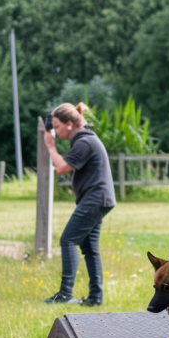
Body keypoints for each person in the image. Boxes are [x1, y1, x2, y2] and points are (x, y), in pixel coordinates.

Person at [42, 102, 116, 305]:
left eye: (57, 127)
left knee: (68, 240)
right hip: (99, 199)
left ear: (69, 124)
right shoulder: (85, 139)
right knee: (89, 247)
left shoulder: (84, 142)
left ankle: (65, 294)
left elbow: (62, 168)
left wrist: (50, 146)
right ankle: (95, 298)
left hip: (95, 198)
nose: (55, 131)